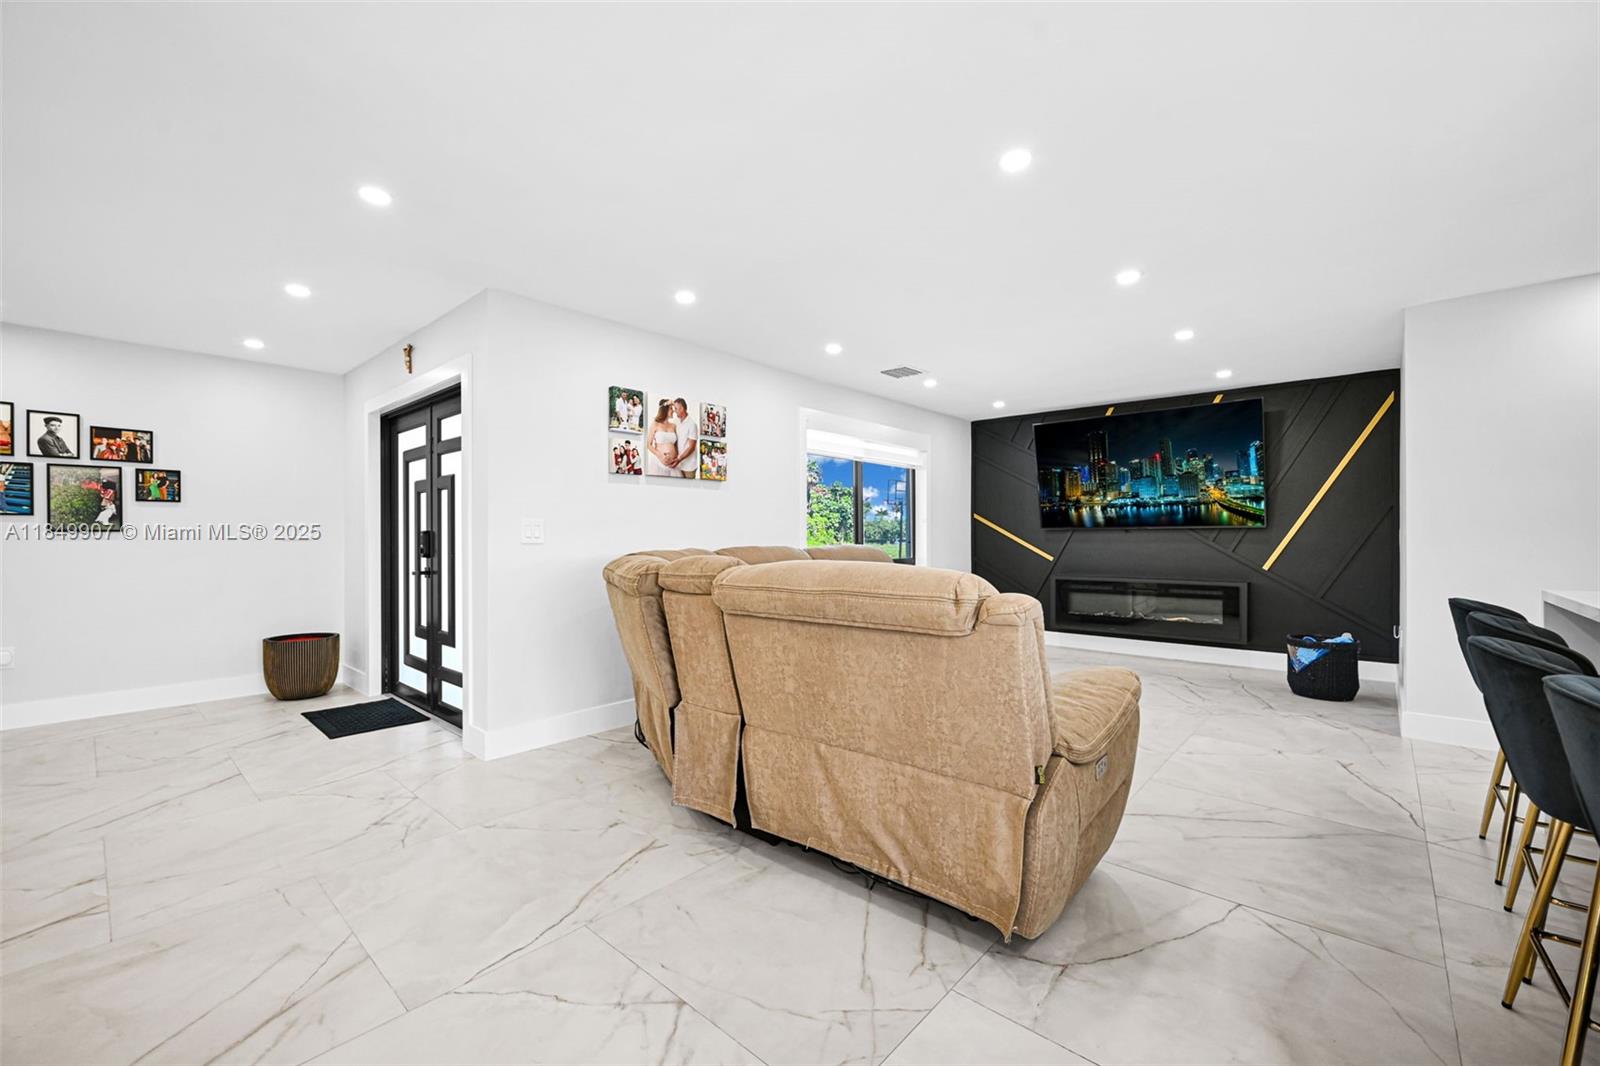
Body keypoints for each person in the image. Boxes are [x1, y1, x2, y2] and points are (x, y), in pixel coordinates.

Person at [646, 400, 679, 476]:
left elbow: (676, 445)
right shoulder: (655, 424)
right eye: (671, 408)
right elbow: (648, 444)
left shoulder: (673, 426)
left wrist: (676, 459)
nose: (673, 411)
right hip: (658, 462)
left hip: (673, 464)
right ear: (665, 410)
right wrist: (661, 456)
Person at [669, 398, 698, 478]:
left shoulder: (692, 424)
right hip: (678, 465)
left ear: (682, 409)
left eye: (676, 408)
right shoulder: (676, 422)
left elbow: (691, 447)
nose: (674, 411)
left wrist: (679, 459)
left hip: (689, 466)